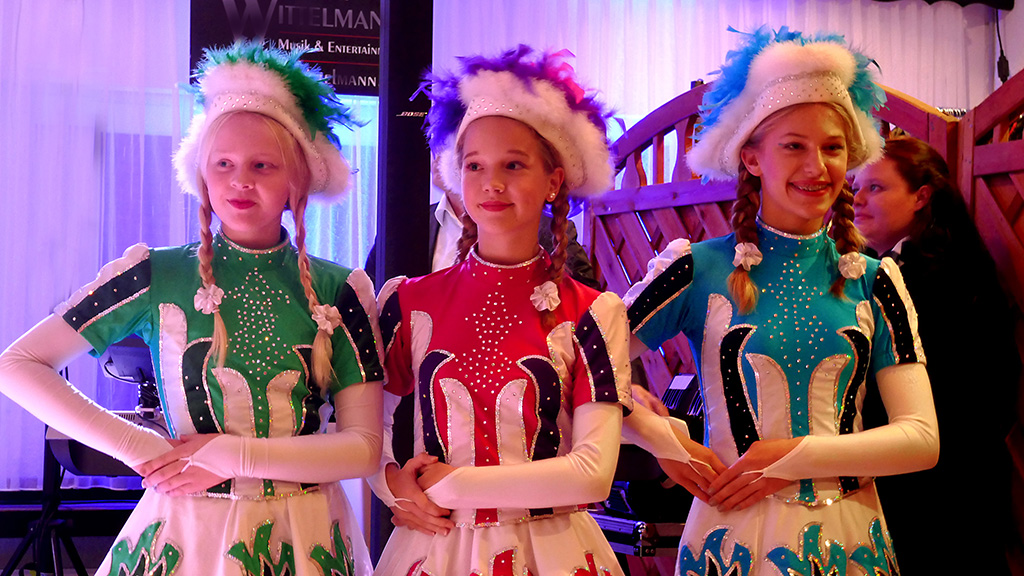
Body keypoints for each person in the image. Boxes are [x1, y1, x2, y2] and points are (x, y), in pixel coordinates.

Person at [0, 41, 384, 576]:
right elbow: (17, 365)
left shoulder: (340, 289)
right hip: (186, 529)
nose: (241, 180)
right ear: (201, 172)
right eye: (223, 163)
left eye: (263, 164)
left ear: (297, 180)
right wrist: (139, 447)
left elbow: (363, 448)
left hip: (306, 535)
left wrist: (233, 455)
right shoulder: (155, 273)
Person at [621, 27, 939, 575]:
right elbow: (574, 368)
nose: (817, 167)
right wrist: (661, 439)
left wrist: (794, 456)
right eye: (794, 146)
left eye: (832, 147)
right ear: (751, 158)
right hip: (728, 538)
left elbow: (921, 439)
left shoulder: (875, 279)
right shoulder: (696, 269)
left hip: (851, 543)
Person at [366, 45, 633, 575]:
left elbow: (593, 473)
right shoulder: (408, 301)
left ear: (554, 181)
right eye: (475, 165)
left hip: (552, 553)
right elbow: (363, 429)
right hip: (434, 549)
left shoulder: (592, 313)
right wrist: (392, 483)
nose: (492, 183)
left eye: (514, 164)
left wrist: (456, 485)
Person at [853, 135, 1019, 575]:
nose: (857, 200)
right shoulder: (867, 271)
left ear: (921, 196)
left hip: (946, 491)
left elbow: (989, 393)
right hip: (886, 477)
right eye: (856, 187)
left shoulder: (956, 275)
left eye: (875, 187)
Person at [363, 157, 599, 290]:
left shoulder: (546, 230)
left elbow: (587, 303)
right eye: (436, 141)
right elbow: (372, 296)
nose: (438, 155)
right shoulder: (402, 225)